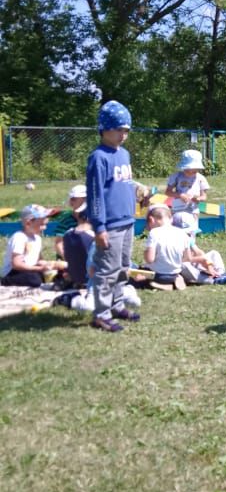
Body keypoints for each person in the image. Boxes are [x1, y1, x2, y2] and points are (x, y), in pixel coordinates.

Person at [86, 100, 140, 332]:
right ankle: (102, 314)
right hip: (110, 225)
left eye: (126, 130)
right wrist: (99, 227)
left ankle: (117, 304)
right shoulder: (99, 157)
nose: (123, 135)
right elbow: (96, 194)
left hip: (127, 222)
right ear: (104, 129)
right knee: (106, 270)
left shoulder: (124, 154)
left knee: (122, 267)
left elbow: (123, 185)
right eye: (118, 129)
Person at [1, 204, 62, 287]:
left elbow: (38, 259)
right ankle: (4, 281)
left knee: (58, 274)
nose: (44, 228)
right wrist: (39, 269)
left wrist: (50, 264)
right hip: (13, 272)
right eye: (41, 225)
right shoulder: (19, 238)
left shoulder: (37, 238)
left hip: (31, 269)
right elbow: (16, 264)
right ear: (28, 223)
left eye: (45, 224)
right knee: (34, 279)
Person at [172, 211, 226, 285]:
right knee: (184, 265)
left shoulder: (188, 238)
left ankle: (219, 274)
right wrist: (201, 260)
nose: (188, 234)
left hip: (193, 262)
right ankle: (209, 280)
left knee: (214, 253)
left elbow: (198, 252)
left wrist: (208, 263)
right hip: (181, 267)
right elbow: (183, 259)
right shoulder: (172, 241)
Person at [144, 204, 192, 289]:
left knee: (136, 273)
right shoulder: (182, 233)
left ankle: (161, 284)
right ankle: (176, 280)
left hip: (158, 275)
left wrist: (146, 252)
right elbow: (188, 258)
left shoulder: (154, 233)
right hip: (175, 273)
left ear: (151, 220)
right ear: (171, 219)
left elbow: (149, 259)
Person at [165, 149, 210, 214]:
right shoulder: (176, 176)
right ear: (183, 168)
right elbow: (168, 192)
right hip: (178, 208)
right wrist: (180, 195)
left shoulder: (201, 179)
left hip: (193, 209)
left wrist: (199, 199)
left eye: (194, 171)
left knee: (193, 223)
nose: (190, 173)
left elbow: (204, 196)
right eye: (187, 171)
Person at [52, 183, 88, 258]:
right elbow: (59, 243)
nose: (71, 201)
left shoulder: (92, 220)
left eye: (74, 199)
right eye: (71, 199)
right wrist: (67, 259)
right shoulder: (66, 221)